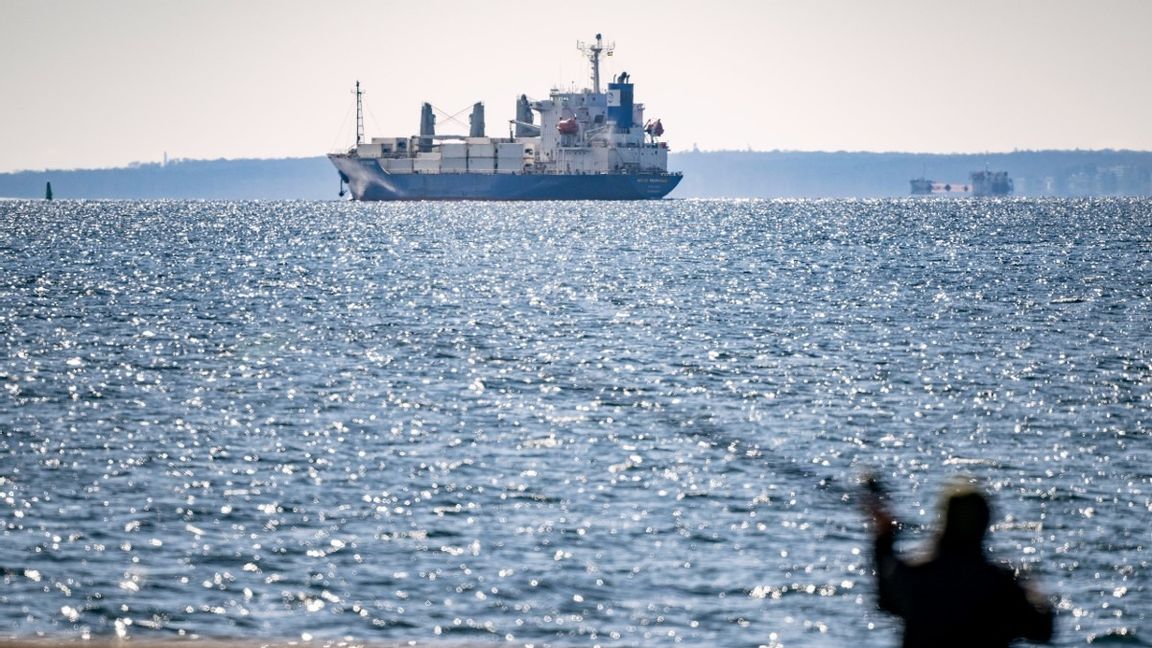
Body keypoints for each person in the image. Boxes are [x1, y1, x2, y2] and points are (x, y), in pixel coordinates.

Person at [863, 476, 1054, 647]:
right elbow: (1042, 629)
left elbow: (886, 599)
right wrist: (1027, 582)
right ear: (985, 523)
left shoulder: (914, 577)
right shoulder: (1002, 587)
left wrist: (884, 538)